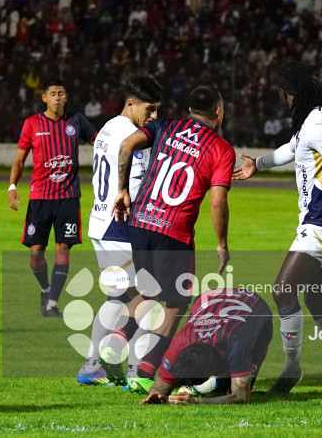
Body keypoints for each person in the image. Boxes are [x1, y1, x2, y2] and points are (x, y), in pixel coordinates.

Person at [232, 61, 322, 395]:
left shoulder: (318, 123)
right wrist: (259, 164)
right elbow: (290, 150)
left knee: (282, 291)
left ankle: (292, 369)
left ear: (283, 92)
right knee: (319, 300)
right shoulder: (311, 120)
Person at [106, 86, 235, 394]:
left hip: (141, 220)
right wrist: (222, 244)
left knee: (149, 291)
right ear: (218, 111)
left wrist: (122, 190)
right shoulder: (221, 148)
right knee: (177, 301)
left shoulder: (166, 125)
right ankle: (147, 370)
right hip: (173, 232)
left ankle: (114, 342)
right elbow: (218, 201)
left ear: (190, 109)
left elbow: (126, 145)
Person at [77, 74, 163, 385]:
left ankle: (92, 364)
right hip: (121, 225)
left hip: (100, 222)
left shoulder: (108, 128)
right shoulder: (133, 137)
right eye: (149, 110)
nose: (153, 118)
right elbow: (136, 187)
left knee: (118, 298)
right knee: (147, 299)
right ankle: (137, 372)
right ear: (131, 104)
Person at [8, 78, 97, 318]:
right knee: (36, 251)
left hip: (68, 198)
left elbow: (100, 142)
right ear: (44, 98)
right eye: (53, 93)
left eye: (61, 93)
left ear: (66, 97)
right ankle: (45, 289)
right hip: (40, 198)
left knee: (63, 248)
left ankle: (52, 303)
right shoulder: (32, 124)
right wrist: (12, 186)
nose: (57, 97)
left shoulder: (76, 121)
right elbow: (19, 159)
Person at [140, 288, 272, 405]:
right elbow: (161, 384)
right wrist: (157, 394)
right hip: (209, 297)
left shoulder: (237, 345)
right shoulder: (179, 344)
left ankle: (221, 381)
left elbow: (240, 396)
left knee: (230, 390)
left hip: (254, 304)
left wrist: (196, 401)